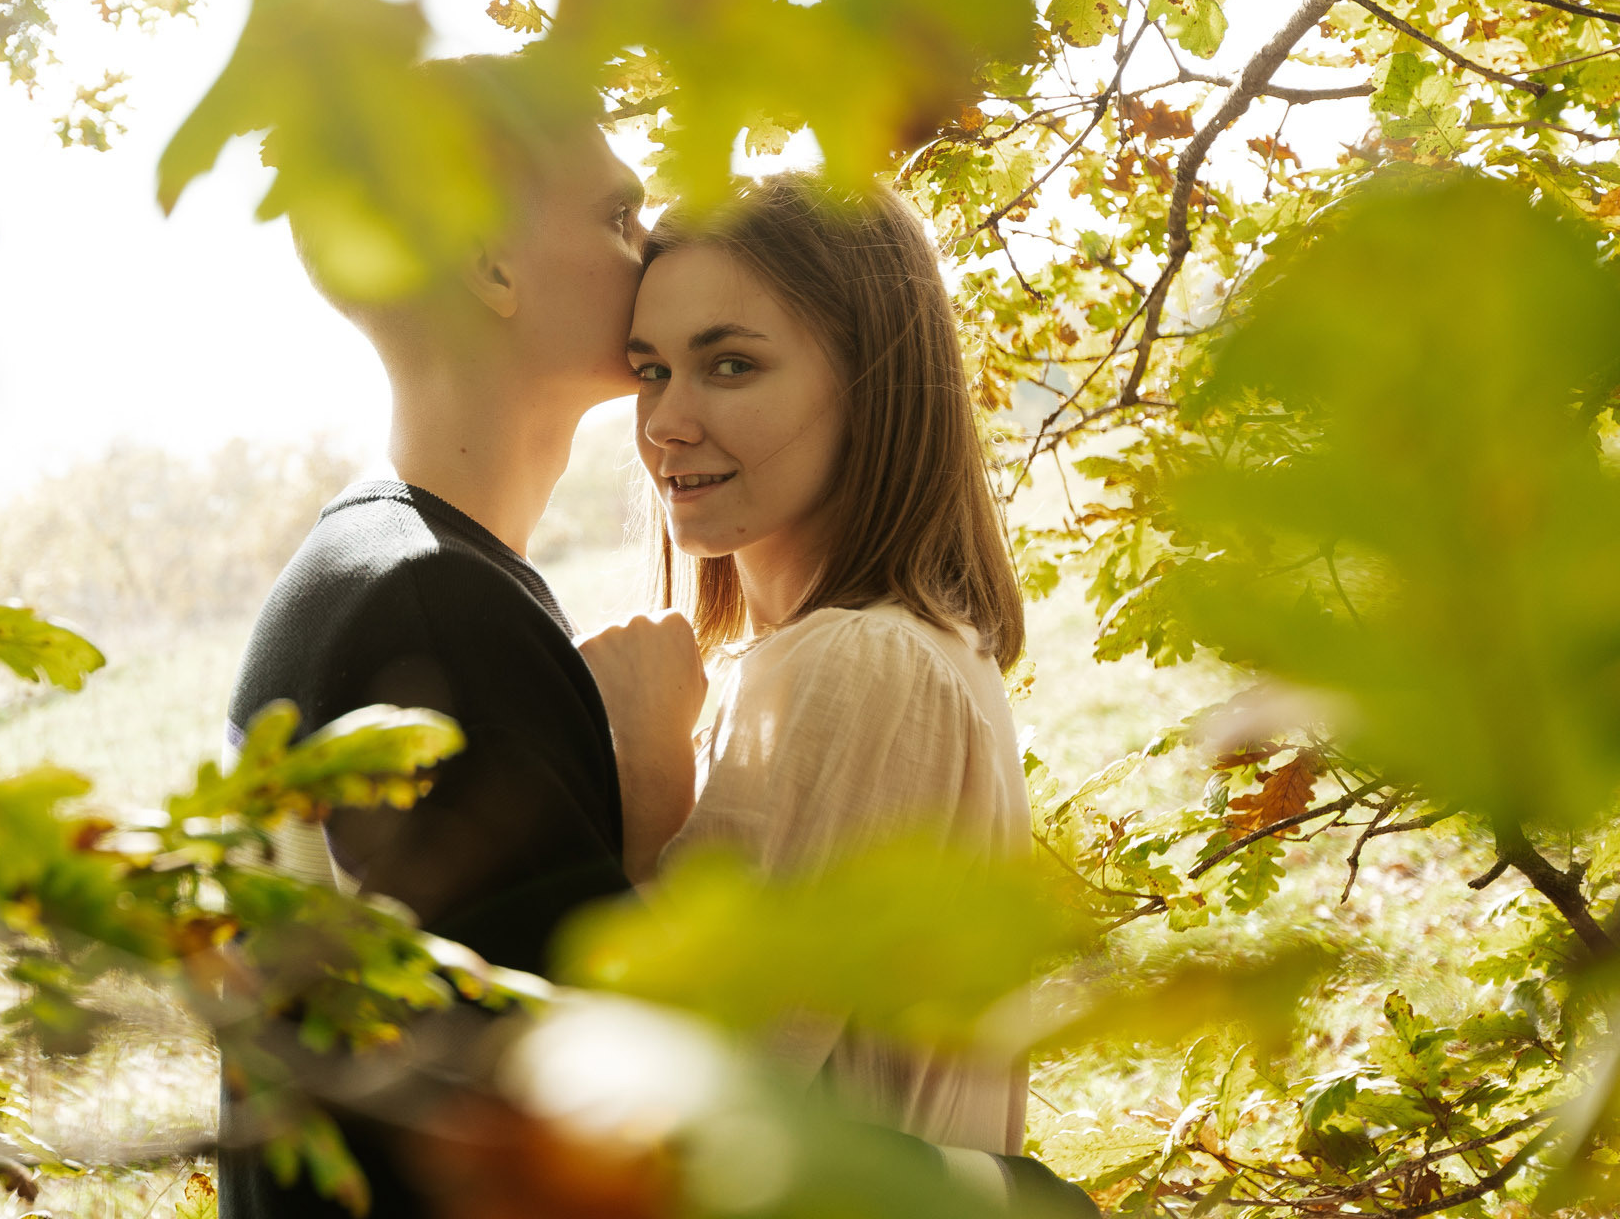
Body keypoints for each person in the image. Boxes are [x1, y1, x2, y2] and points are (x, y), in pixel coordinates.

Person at [219, 68, 648, 1219]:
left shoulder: (364, 574)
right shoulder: (431, 612)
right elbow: (596, 1116)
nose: (653, 249)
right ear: (489, 264)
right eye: (617, 216)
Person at [580, 174, 1038, 1156]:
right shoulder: (884, 652)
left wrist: (649, 771)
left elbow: (680, 1108)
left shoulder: (860, 662)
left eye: (732, 365)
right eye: (650, 369)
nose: (665, 422)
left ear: (872, 380)